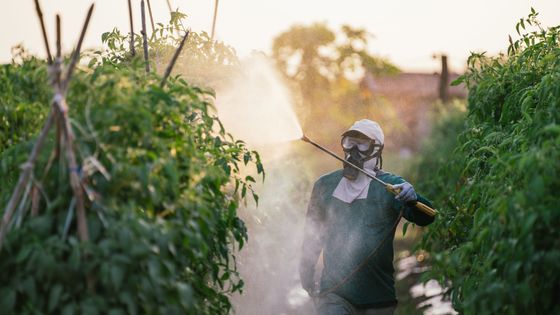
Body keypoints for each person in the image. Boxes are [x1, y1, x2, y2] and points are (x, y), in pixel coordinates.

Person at [299, 119, 435, 315]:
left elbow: (426, 217)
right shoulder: (325, 186)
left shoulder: (390, 186)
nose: (353, 151)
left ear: (377, 149)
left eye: (363, 144)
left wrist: (412, 198)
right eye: (350, 143)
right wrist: (307, 277)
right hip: (335, 295)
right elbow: (312, 236)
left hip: (378, 299)